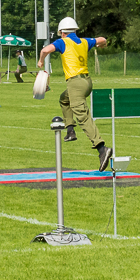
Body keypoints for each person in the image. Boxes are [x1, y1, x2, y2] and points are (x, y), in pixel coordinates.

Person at [37, 16, 113, 171]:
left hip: (75, 83)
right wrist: (103, 44)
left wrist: (40, 61)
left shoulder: (63, 42)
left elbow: (45, 50)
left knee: (83, 116)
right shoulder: (84, 41)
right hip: (87, 82)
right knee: (64, 99)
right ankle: (70, 130)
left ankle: (102, 148)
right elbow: (101, 39)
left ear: (62, 32)